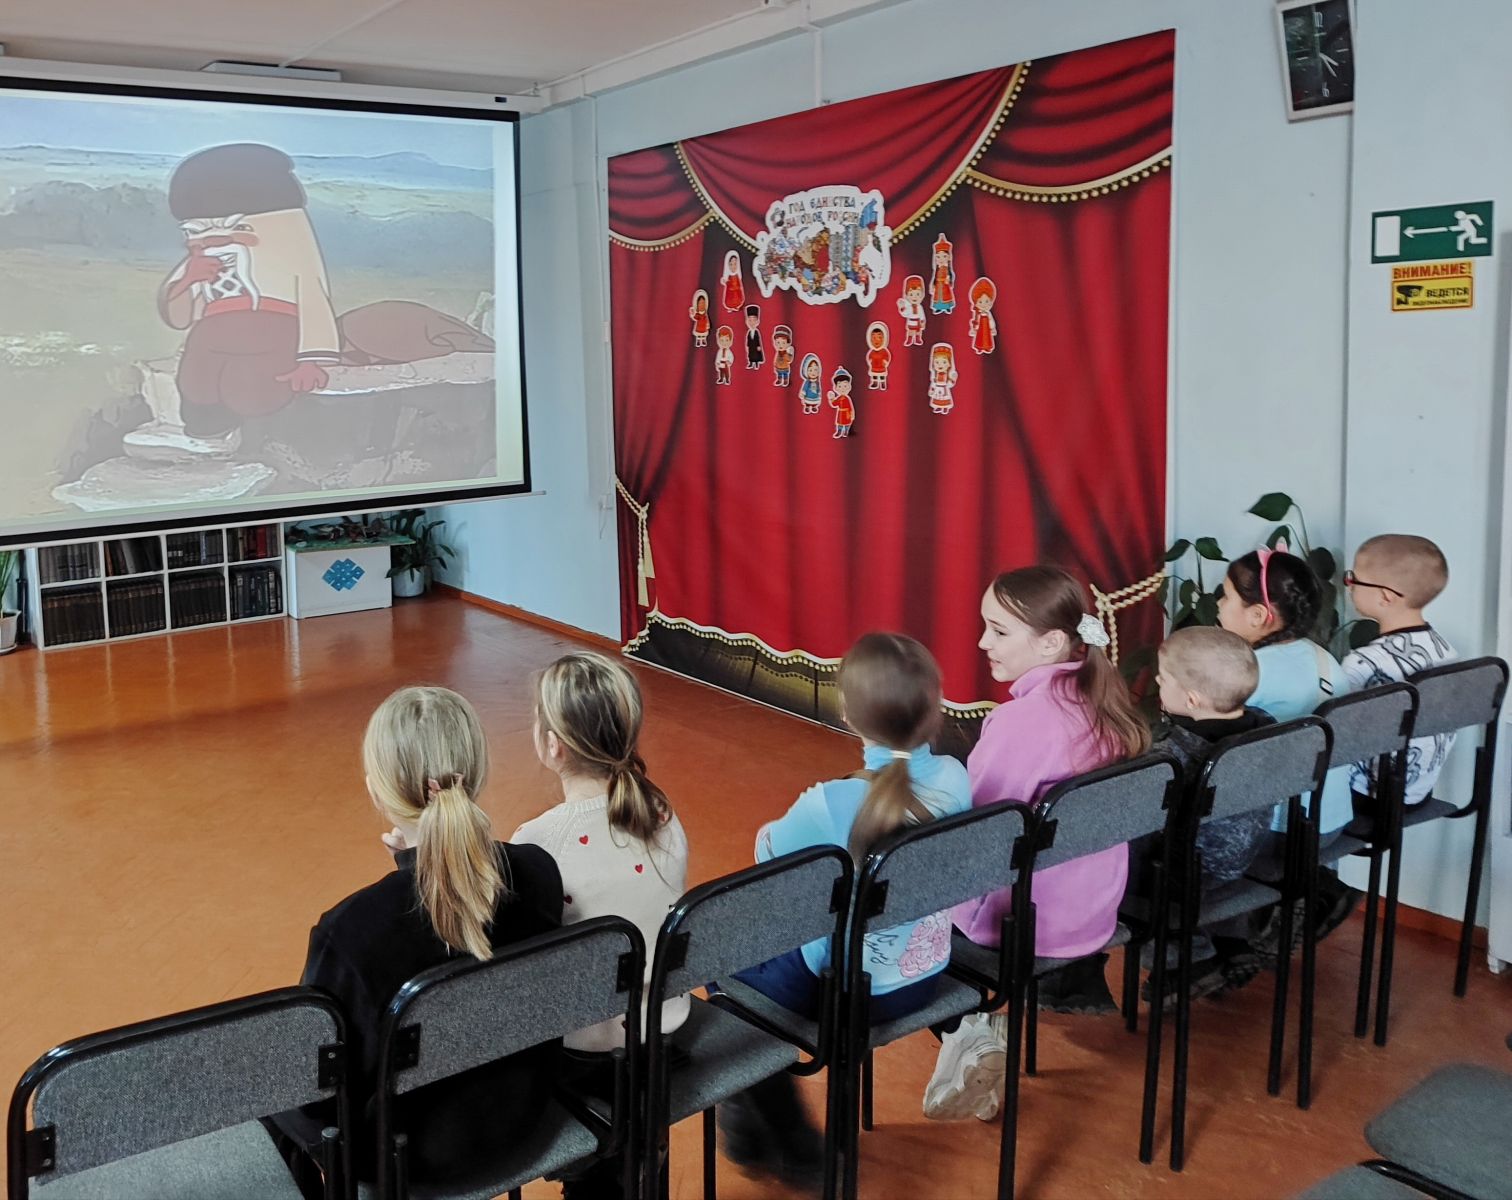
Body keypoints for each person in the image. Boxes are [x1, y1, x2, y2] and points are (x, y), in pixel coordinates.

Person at [270, 686, 563, 1193]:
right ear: (477, 773)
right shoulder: (538, 873)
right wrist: (412, 867)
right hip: (524, 1117)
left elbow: (318, 1091)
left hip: (409, 1157)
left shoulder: (351, 930)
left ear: (377, 790)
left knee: (272, 1093)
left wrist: (407, 871)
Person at [715, 633, 971, 1186]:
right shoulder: (957, 777)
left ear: (848, 715)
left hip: (849, 993)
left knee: (723, 981)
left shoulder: (828, 802)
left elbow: (766, 854)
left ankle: (791, 1144)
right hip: (926, 974)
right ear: (935, 709)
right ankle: (754, 1128)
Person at [925, 566, 1150, 1122]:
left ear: (1051, 643)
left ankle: (966, 1028)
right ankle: (974, 1036)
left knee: (887, 911)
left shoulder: (1023, 722)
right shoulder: (1104, 701)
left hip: (1023, 924)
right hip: (1091, 913)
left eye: (999, 631)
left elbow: (976, 835)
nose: (983, 642)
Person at [513, 652, 689, 1198]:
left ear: (553, 746)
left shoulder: (538, 843)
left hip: (584, 1055)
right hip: (664, 1033)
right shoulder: (661, 814)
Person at [1215, 547, 1353, 982]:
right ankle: (1310, 893)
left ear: (1258, 615)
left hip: (1282, 833)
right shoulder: (1323, 658)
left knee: (1185, 828)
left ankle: (1221, 951)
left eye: (1225, 597)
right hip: (1330, 821)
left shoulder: (1248, 672)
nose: (1218, 604)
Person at [1142, 626, 1276, 1002]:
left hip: (1193, 872)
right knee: (1217, 828)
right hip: (1249, 855)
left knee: (1143, 872)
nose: (1157, 682)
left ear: (1191, 698)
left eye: (1163, 678)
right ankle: (1233, 944)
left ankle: (1188, 961)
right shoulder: (1268, 729)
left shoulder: (1174, 756)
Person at [1341, 534, 1457, 808]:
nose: (1349, 586)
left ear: (1385, 596)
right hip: (1419, 791)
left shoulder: (1364, 663)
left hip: (1371, 797)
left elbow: (1332, 736)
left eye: (1353, 579)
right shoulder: (1446, 650)